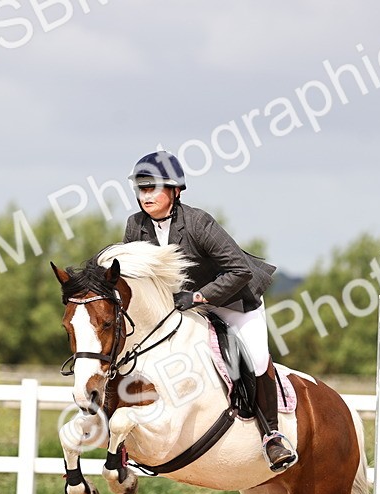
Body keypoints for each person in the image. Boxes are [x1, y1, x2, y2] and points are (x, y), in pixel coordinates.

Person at [123, 150, 297, 472]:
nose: (145, 195)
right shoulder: (136, 226)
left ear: (175, 191)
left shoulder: (198, 222)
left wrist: (201, 297)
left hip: (232, 301)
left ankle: (272, 435)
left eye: (152, 188)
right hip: (181, 308)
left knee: (257, 358)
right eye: (141, 189)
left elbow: (239, 270)